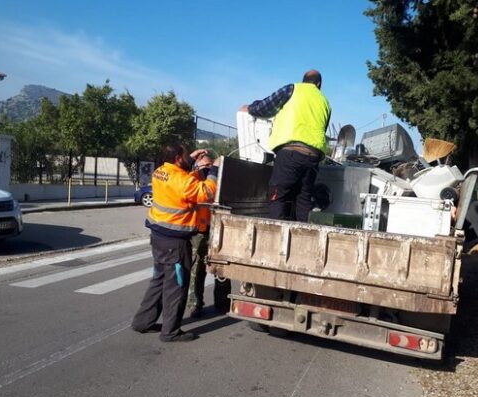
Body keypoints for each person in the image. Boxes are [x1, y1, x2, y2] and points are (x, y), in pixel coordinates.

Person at [131, 144, 220, 342]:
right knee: (177, 286)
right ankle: (170, 332)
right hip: (175, 242)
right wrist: (214, 169)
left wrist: (193, 162)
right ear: (179, 158)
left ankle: (142, 322)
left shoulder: (160, 172)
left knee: (158, 281)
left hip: (158, 238)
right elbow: (206, 193)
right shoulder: (182, 180)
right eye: (186, 155)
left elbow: (183, 181)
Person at [241, 69, 331, 222]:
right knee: (303, 200)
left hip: (290, 153)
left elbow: (265, 107)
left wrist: (249, 108)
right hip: (313, 158)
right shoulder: (325, 102)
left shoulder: (292, 89)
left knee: (277, 195)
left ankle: (278, 238)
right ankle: (301, 240)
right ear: (319, 84)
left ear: (304, 80)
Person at [186, 152, 231, 318]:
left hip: (218, 229)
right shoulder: (192, 178)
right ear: (197, 165)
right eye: (205, 166)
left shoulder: (220, 178)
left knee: (222, 268)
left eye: (210, 166)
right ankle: (194, 304)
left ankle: (223, 303)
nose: (208, 169)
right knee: (196, 270)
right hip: (199, 231)